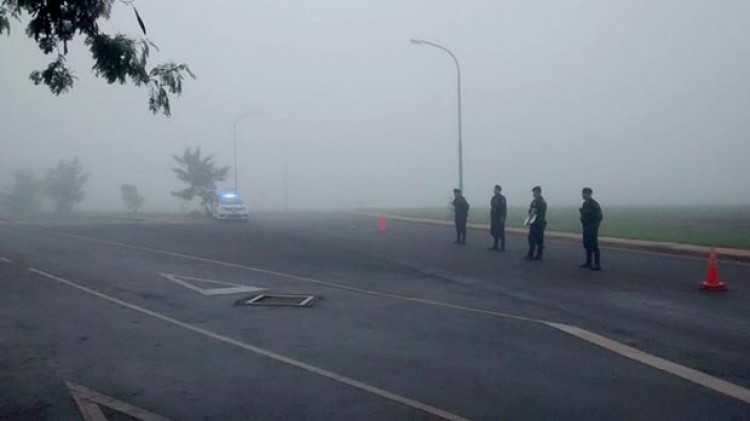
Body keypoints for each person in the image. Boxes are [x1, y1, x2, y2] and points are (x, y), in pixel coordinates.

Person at [579, 187, 603, 271]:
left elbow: (599, 217)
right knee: (587, 244)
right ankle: (588, 262)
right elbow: (583, 216)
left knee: (594, 245)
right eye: (583, 193)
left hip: (592, 227)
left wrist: (591, 221)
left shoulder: (594, 204)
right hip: (586, 227)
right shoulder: (585, 204)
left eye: (585, 193)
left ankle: (597, 264)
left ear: (589, 194)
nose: (583, 195)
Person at [524, 186, 547, 261]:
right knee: (540, 239)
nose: (533, 193)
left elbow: (533, 211)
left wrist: (528, 221)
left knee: (532, 239)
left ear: (536, 192)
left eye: (533, 192)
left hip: (535, 222)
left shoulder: (536, 201)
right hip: (541, 222)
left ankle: (530, 254)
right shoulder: (543, 200)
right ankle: (539, 255)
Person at [489, 185, 507, 251]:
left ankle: (502, 246)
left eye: (495, 189)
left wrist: (502, 217)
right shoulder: (493, 198)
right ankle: (495, 245)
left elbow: (503, 209)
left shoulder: (502, 198)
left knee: (501, 231)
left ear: (498, 190)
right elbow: (492, 206)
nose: (494, 190)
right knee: (493, 231)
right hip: (494, 217)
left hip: (499, 218)